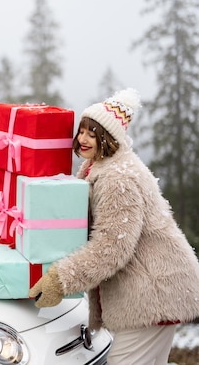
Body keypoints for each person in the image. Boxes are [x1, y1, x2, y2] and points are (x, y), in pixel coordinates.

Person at [29, 88, 199, 365]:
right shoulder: (94, 167)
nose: (83, 139)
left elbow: (111, 247)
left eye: (92, 133)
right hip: (155, 289)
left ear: (108, 138)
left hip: (154, 293)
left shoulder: (117, 179)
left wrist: (61, 279)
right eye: (81, 131)